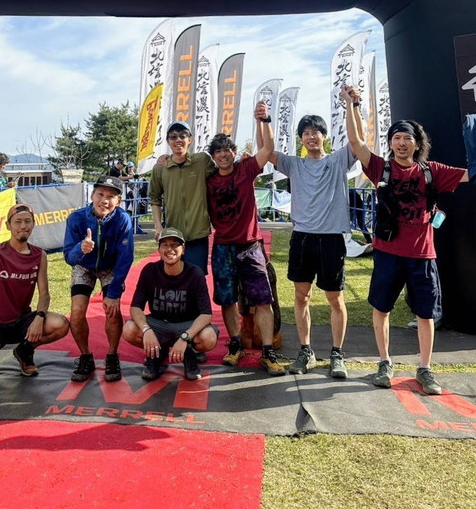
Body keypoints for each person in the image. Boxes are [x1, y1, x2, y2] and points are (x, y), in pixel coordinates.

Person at [343, 85, 469, 395]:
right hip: (388, 252)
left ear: (417, 143)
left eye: (407, 138)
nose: (401, 143)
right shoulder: (380, 168)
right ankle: (384, 362)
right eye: (396, 138)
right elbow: (356, 142)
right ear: (390, 143)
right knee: (382, 308)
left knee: (425, 314)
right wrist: (351, 104)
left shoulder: (431, 171)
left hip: (422, 255)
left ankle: (424, 369)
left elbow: (471, 175)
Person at [267, 106, 358, 378]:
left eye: (316, 132)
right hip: (303, 238)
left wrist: (352, 106)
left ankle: (337, 354)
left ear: (324, 136)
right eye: (306, 133)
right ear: (301, 139)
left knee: (335, 298)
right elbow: (267, 150)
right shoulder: (294, 164)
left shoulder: (338, 161)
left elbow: (357, 141)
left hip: (331, 238)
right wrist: (264, 120)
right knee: (301, 296)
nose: (311, 136)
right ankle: (305, 351)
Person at [206, 101, 285, 376]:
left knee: (263, 299)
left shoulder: (246, 169)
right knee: (227, 299)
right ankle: (236, 344)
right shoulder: (208, 179)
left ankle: (267, 352)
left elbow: (267, 148)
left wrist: (264, 120)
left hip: (250, 245)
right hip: (222, 246)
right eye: (218, 151)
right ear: (213, 156)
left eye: (227, 150)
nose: (223, 155)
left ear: (234, 152)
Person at [0, 204, 69, 380]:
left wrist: (39, 318)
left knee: (61, 324)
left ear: (33, 224)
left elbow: (44, 294)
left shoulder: (39, 255)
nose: (23, 226)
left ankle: (24, 351)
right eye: (17, 222)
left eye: (27, 221)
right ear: (8, 226)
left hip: (22, 321)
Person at [63, 175, 134, 383]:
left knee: (112, 310)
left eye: (111, 196)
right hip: (84, 266)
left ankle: (112, 355)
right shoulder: (76, 218)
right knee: (77, 312)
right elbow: (69, 257)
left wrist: (114, 293)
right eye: (100, 194)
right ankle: (85, 356)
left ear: (118, 201)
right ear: (92, 195)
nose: (105, 200)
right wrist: (81, 248)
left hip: (110, 267)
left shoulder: (123, 219)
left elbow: (126, 257)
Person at [123, 227, 219, 381]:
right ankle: (157, 354)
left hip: (186, 325)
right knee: (129, 329)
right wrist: (147, 330)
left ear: (183, 249)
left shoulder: (195, 273)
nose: (170, 249)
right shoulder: (150, 270)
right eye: (165, 245)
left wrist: (185, 338)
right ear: (159, 250)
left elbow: (206, 314)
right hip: (158, 324)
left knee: (209, 337)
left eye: (175, 245)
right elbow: (136, 307)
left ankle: (188, 354)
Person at [149, 121, 215, 275]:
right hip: (173, 235)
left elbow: (224, 170)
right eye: (173, 137)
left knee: (197, 277)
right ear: (168, 141)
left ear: (190, 139)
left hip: (198, 233)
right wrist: (158, 226)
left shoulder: (202, 161)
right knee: (173, 277)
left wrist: (241, 159)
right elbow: (154, 198)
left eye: (182, 136)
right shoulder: (160, 168)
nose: (178, 140)